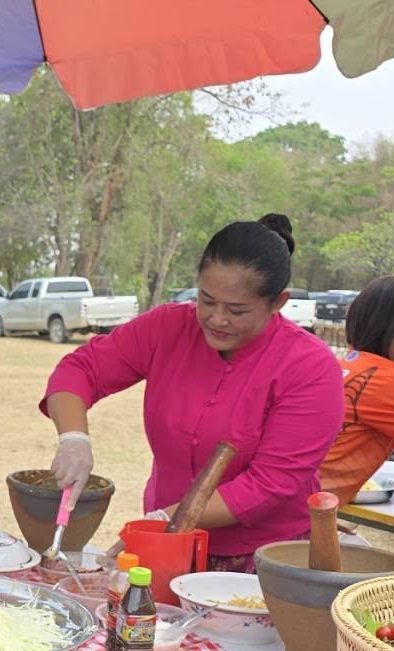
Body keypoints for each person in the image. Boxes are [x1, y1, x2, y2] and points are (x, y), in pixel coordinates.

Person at [43, 214, 343, 572]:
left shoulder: (310, 367)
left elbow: (270, 484)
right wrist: (74, 438)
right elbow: (81, 369)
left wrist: (162, 521)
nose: (217, 319)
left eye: (237, 310)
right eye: (206, 300)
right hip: (169, 546)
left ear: (278, 301)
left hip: (265, 559)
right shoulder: (168, 327)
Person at [319, 276, 394, 505]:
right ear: (391, 325)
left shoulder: (347, 365)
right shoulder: (387, 380)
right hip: (298, 515)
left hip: (301, 503)